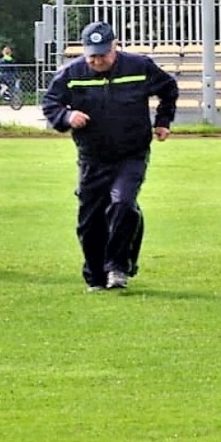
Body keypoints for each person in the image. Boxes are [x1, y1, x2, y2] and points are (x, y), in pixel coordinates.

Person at [41, 21, 179, 292]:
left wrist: (163, 121)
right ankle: (95, 276)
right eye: (92, 54)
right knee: (89, 220)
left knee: (123, 203)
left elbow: (168, 89)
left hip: (131, 153)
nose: (97, 59)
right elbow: (50, 103)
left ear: (115, 47)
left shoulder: (139, 67)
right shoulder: (72, 74)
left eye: (103, 53)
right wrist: (67, 116)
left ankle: (118, 267)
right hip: (92, 156)